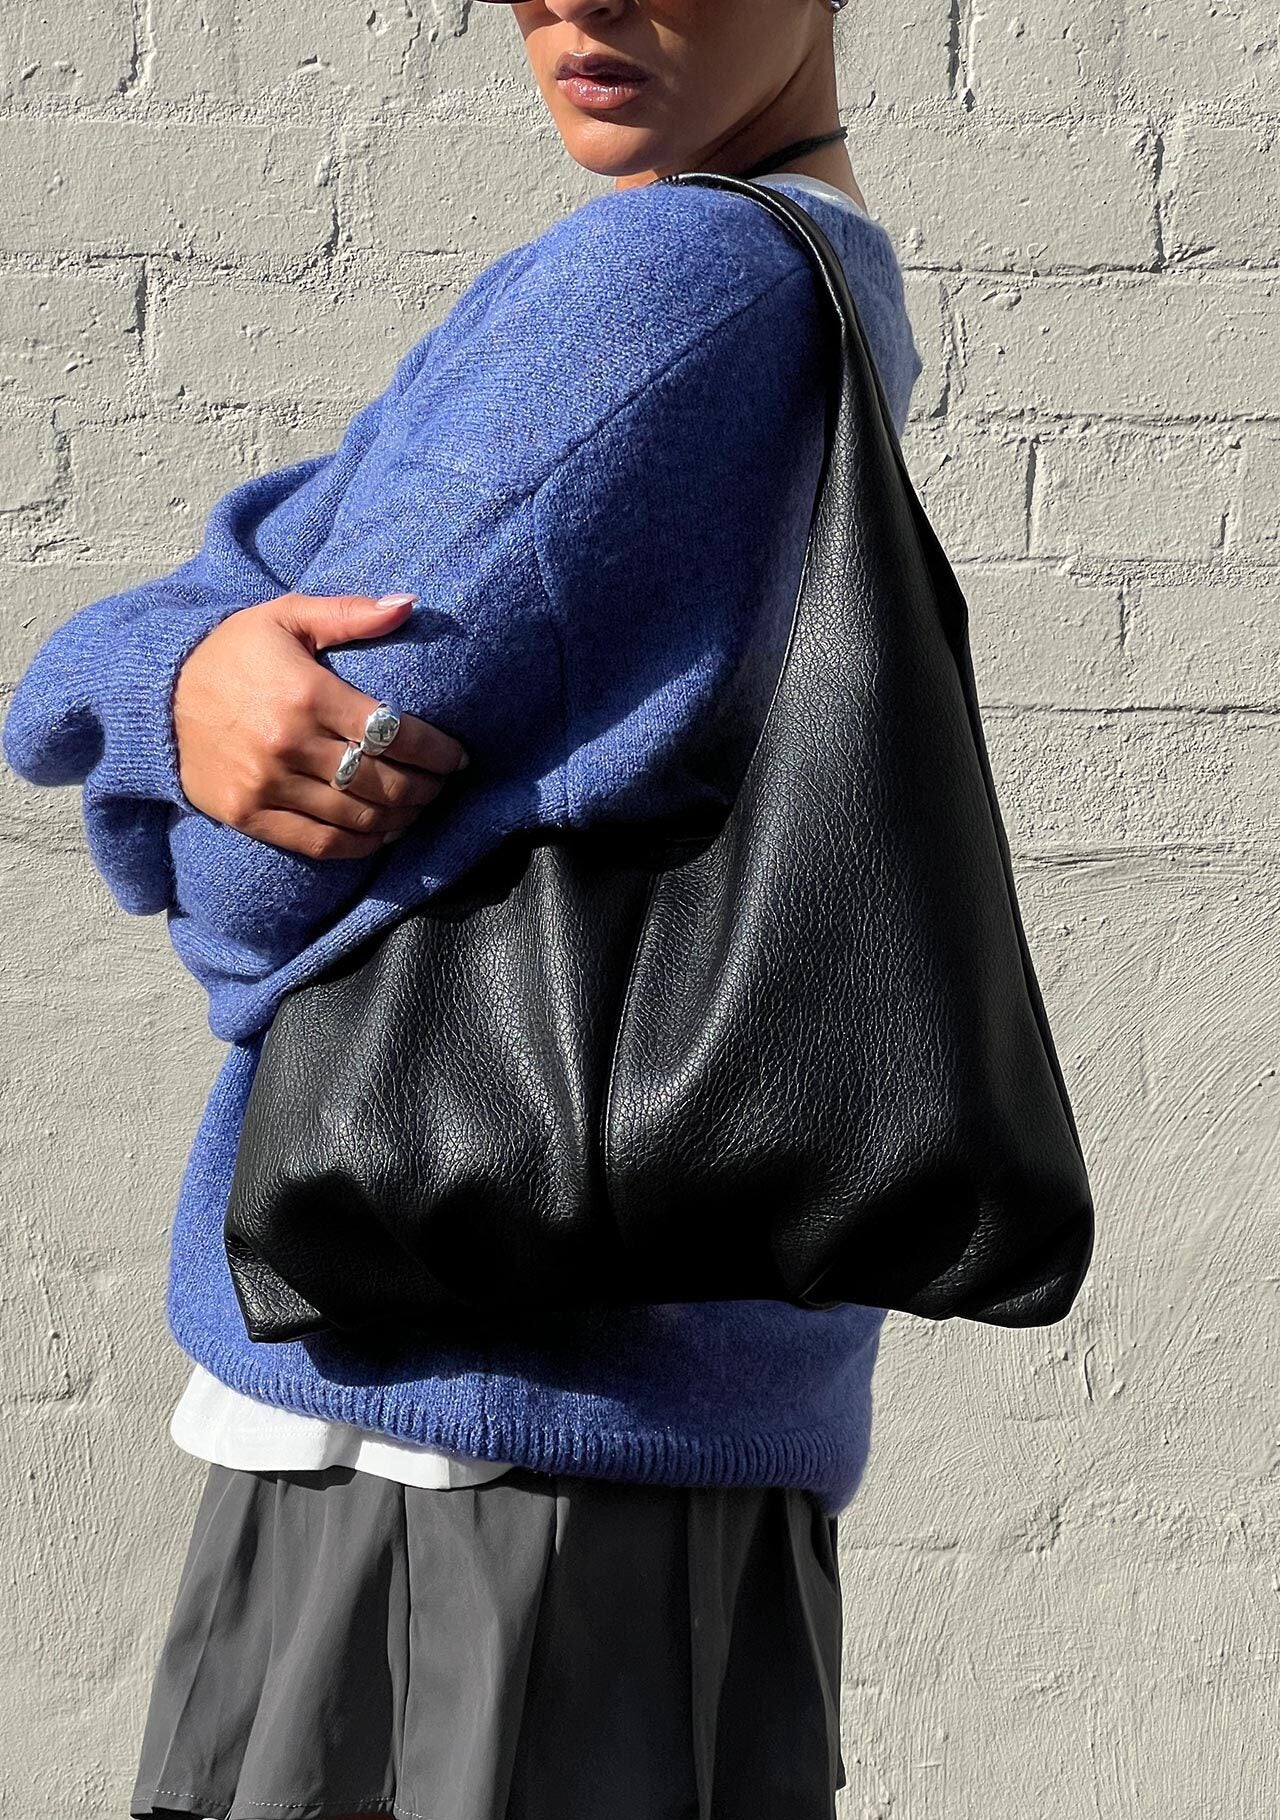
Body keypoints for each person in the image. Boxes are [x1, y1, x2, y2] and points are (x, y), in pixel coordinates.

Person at [2, 2, 924, 1816]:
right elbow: (243, 619)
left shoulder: (667, 280)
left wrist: (163, 701)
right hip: (644, 1452)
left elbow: (260, 857)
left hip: (455, 1465)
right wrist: (180, 673)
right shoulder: (827, 283)